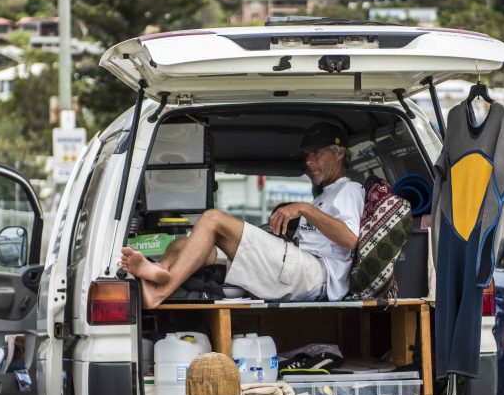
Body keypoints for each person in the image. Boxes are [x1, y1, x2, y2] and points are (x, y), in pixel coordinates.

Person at [121, 122, 365, 309]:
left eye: (316, 153)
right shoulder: (324, 195)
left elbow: (352, 239)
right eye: (307, 155)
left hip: (315, 274)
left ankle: (158, 293)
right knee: (182, 244)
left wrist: (303, 208)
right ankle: (159, 270)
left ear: (340, 153)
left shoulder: (349, 189)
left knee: (212, 219)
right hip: (299, 268)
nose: (309, 162)